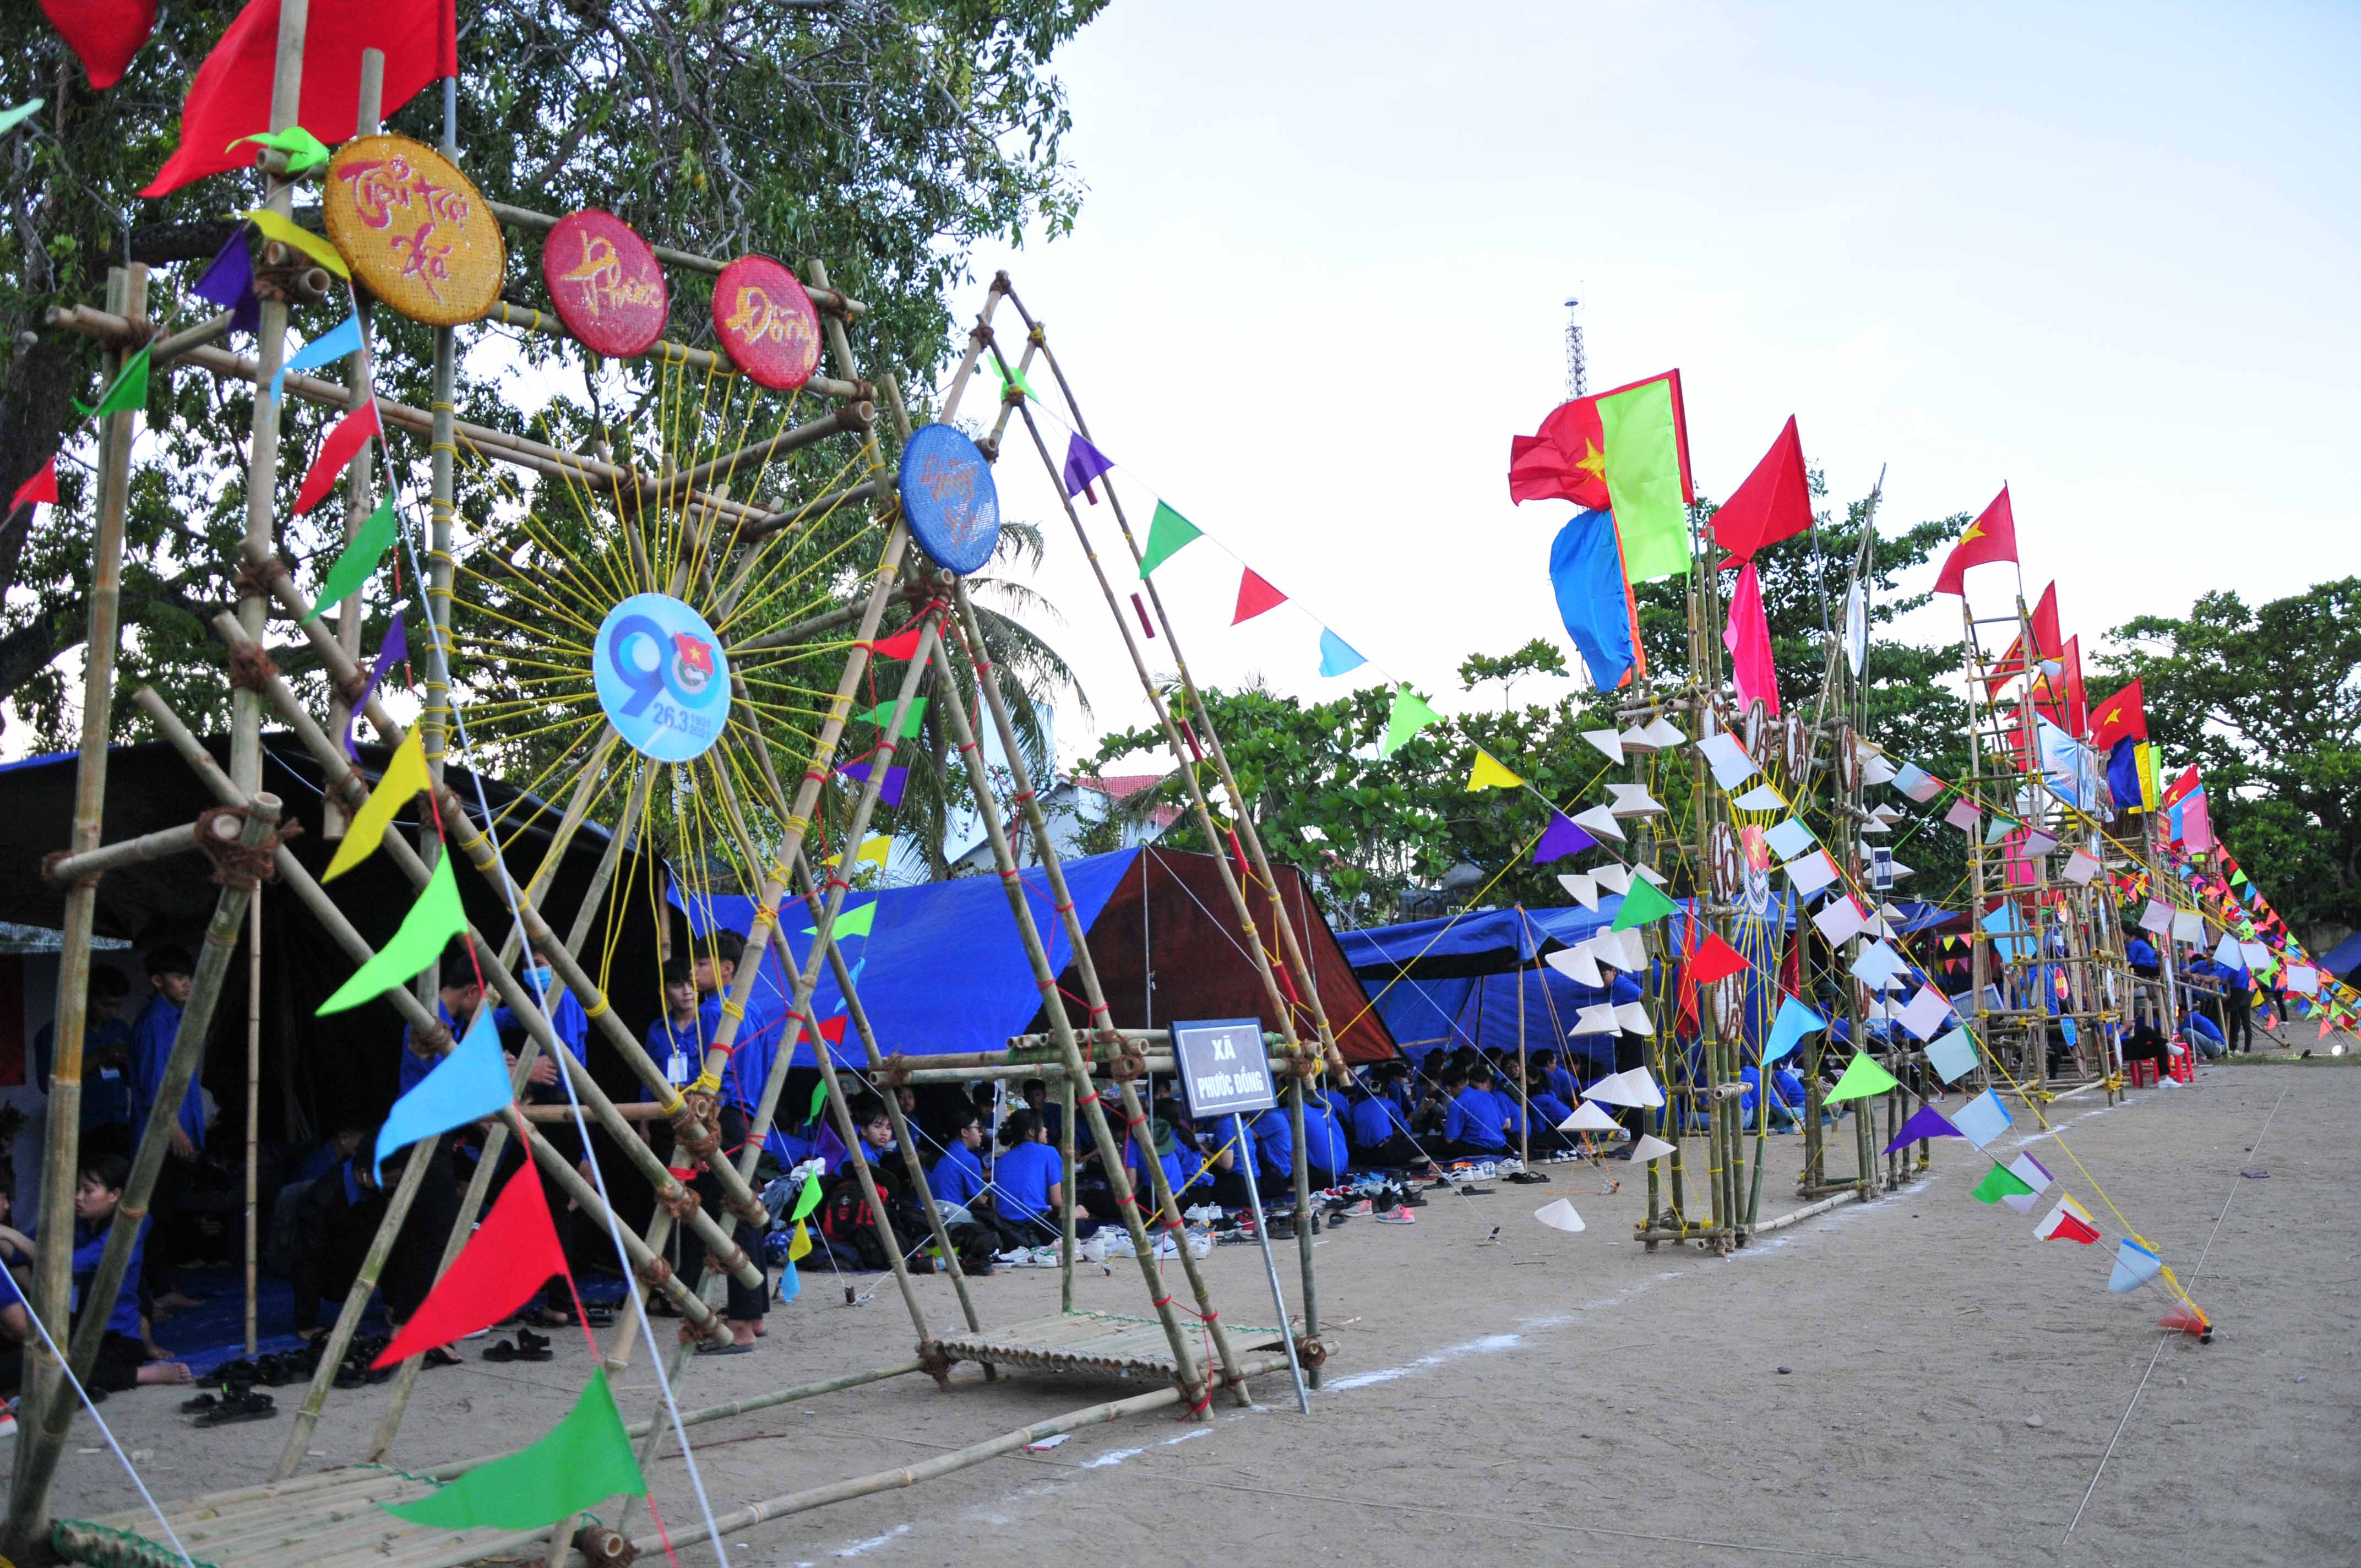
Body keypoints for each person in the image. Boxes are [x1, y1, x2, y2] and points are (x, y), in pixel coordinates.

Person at [287, 1137, 461, 1354]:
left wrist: (395, 1304)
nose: (392, 1186)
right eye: (388, 1181)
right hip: (329, 1264)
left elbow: (392, 1246)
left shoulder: (377, 1187)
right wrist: (307, 1324)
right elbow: (307, 1262)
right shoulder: (321, 1201)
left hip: (361, 1245)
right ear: (365, 1174)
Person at [63, 1156, 189, 1390]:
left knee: (72, 1375)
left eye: (88, 1191)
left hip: (116, 1337)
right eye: (77, 1189)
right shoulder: (80, 1224)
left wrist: (11, 1237)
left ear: (115, 1195)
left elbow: (68, 1264)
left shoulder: (126, 1231)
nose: (78, 1197)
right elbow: (32, 1250)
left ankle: (145, 1374)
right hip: (79, 1330)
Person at [128, 946, 203, 1312]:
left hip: (177, 1130)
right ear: (158, 982)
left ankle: (161, 1287)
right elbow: (154, 1084)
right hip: (161, 1136)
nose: (186, 983)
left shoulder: (174, 1017)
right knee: (152, 1216)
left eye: (188, 976)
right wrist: (176, 1131)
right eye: (178, 977)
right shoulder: (156, 1021)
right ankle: (153, 1293)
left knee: (164, 1215)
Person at [34, 966, 135, 1159]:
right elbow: (47, 1084)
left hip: (119, 1123)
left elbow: (133, 1080)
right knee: (85, 1187)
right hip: (78, 1130)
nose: (112, 1012)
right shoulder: (56, 1033)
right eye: (105, 1005)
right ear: (86, 997)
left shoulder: (120, 1029)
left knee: (119, 1186)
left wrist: (127, 1062)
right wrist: (98, 1057)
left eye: (117, 1006)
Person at [990, 1109, 1063, 1246]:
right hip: (1037, 1229)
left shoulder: (1001, 1161)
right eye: (1042, 1127)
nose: (1046, 1130)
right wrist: (1074, 1213)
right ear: (1031, 1131)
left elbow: (995, 1206)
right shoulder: (1049, 1153)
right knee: (1082, 1225)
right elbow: (1057, 1203)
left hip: (1007, 1233)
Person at [1439, 1064, 1511, 1162]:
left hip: (1478, 1150)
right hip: (1500, 1148)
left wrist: (1446, 1127)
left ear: (1448, 1087)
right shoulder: (1488, 1096)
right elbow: (1503, 1125)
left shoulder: (1458, 1104)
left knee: (1436, 1143)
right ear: (1467, 1080)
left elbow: (1450, 1139)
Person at [1347, 1082, 1421, 1169]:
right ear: (1385, 1094)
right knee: (1422, 1144)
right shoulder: (1388, 1103)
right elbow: (1406, 1130)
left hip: (1362, 1156)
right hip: (1384, 1155)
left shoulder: (1357, 1107)